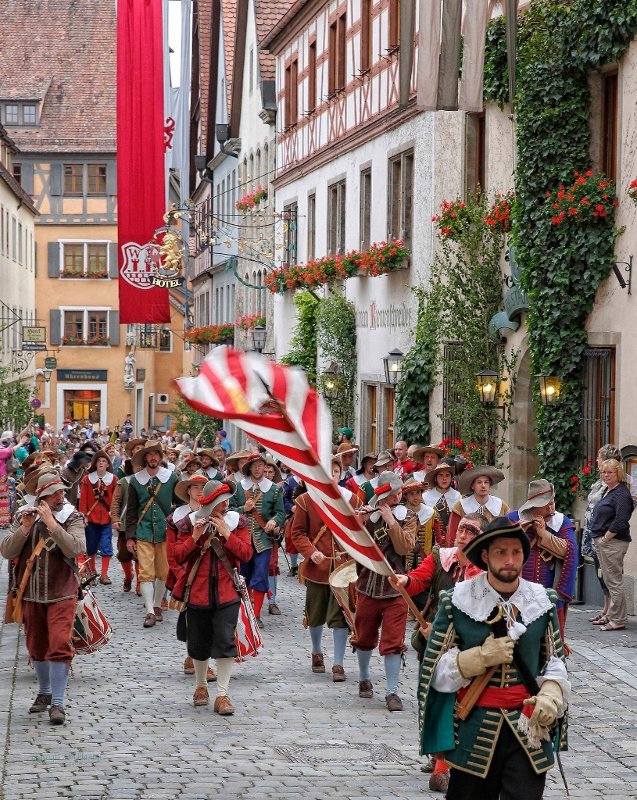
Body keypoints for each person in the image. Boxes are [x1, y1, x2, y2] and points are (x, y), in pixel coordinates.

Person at [418, 517, 570, 800]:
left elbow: (555, 662)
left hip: (527, 728)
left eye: (516, 552)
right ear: (486, 555)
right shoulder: (457, 601)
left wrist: (550, 695)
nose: (510, 560)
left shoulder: (542, 600)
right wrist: (479, 657)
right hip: (474, 730)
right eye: (501, 552)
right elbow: (434, 674)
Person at [390, 512, 486, 793]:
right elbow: (420, 579)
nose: (463, 534)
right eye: (462, 529)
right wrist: (405, 581)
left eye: (471, 531)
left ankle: (454, 759)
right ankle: (438, 755)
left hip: (467, 645)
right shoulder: (441, 557)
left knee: (461, 702)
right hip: (431, 639)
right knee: (430, 698)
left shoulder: (484, 570)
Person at [0, 473, 86, 725]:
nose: (61, 496)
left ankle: (57, 703)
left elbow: (76, 548)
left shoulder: (72, 517)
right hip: (31, 593)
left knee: (59, 643)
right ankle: (45, 691)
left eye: (62, 492)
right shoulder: (24, 516)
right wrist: (26, 528)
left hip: (63, 591)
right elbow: (7, 550)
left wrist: (53, 526)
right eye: (56, 493)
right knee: (36, 646)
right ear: (42, 497)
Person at [172, 479, 252, 713]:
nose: (226, 505)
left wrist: (227, 534)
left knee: (226, 640)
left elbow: (246, 554)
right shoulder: (188, 523)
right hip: (197, 591)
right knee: (198, 643)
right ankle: (200, 686)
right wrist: (195, 537)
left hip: (227, 591)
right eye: (221, 501)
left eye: (226, 500)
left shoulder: (238, 522)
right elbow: (177, 556)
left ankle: (222, 695)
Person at [350, 471, 417, 711]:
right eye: (395, 493)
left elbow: (403, 547)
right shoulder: (367, 514)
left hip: (396, 588)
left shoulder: (408, 516)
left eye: (400, 492)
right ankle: (365, 678)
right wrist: (359, 523)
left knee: (393, 641)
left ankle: (392, 692)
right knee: (364, 636)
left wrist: (390, 521)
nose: (400, 496)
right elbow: (353, 547)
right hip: (368, 585)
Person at [291, 457, 361, 680]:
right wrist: (312, 552)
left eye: (336, 471)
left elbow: (361, 532)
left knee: (341, 615)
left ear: (341, 474)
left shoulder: (353, 501)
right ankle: (316, 650)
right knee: (315, 614)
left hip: (344, 568)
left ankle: (338, 664)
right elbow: (298, 533)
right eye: (327, 471)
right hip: (318, 568)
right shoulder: (305, 500)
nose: (332, 475)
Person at [508, 479, 578, 638]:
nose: (550, 507)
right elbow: (498, 549)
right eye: (545, 503)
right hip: (517, 592)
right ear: (533, 505)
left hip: (548, 592)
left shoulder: (561, 522)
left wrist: (544, 534)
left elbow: (570, 550)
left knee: (551, 638)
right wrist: (516, 533)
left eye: (552, 502)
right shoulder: (512, 519)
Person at [166, 471, 216, 682]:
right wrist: (182, 576)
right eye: (195, 487)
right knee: (190, 618)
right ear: (188, 491)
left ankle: (206, 660)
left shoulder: (215, 512)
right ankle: (191, 656)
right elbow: (172, 553)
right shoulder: (176, 517)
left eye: (203, 487)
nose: (199, 490)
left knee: (211, 619)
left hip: (209, 574)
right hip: (184, 574)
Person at [125, 442, 178, 628]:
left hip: (165, 532)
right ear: (145, 458)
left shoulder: (171, 478)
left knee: (163, 571)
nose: (153, 457)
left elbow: (180, 504)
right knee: (146, 572)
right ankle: (149, 610)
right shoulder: (135, 480)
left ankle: (157, 606)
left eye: (156, 454)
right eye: (150, 455)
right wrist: (129, 537)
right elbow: (131, 511)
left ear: (160, 457)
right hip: (143, 531)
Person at [230, 453, 285, 626]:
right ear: (249, 468)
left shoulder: (274, 489)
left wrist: (273, 521)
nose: (258, 468)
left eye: (261, 465)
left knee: (261, 575)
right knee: (243, 576)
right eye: (254, 465)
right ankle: (244, 611)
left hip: (263, 540)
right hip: (243, 539)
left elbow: (281, 513)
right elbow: (229, 511)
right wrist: (242, 509)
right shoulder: (239, 488)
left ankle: (256, 614)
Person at [590, 459, 634, 631]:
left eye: (610, 472)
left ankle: (618, 619)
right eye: (603, 472)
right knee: (609, 581)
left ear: (618, 474)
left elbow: (621, 520)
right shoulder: (608, 491)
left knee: (614, 581)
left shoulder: (621, 494)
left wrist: (606, 538)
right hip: (605, 542)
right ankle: (613, 615)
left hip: (613, 542)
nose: (606, 475)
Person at [581, 444, 621, 624]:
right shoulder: (600, 481)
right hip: (595, 533)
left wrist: (607, 536)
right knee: (600, 571)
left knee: (608, 573)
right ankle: (605, 609)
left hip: (605, 535)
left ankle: (612, 613)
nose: (596, 460)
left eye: (598, 457)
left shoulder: (614, 484)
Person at [78, 450, 116, 585]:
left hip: (107, 518)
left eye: (104, 461)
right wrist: (84, 516)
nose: (101, 463)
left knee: (106, 546)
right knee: (91, 546)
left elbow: (116, 499)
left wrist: (114, 513)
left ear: (107, 464)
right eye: (99, 461)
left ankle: (104, 574)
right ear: (95, 463)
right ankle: (92, 572)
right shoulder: (87, 479)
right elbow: (83, 500)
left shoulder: (113, 479)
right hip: (91, 518)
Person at [448, 465, 509, 541]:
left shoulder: (501, 505)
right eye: (479, 482)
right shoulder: (460, 506)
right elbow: (452, 535)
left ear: (489, 485)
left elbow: (507, 533)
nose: (483, 486)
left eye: (486, 482)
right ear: (472, 485)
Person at [424, 463, 462, 547]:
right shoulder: (425, 497)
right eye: (440, 475)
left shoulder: (459, 497)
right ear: (435, 478)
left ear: (451, 478)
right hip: (431, 540)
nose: (444, 479)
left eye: (447, 475)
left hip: (451, 541)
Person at [0, 430, 30, 526]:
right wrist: (21, 443)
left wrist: (26, 429)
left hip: (3, 478)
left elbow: (13, 442)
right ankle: (3, 522)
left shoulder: (2, 447)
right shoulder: (2, 451)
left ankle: (3, 521)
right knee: (3, 499)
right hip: (1, 478)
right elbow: (10, 450)